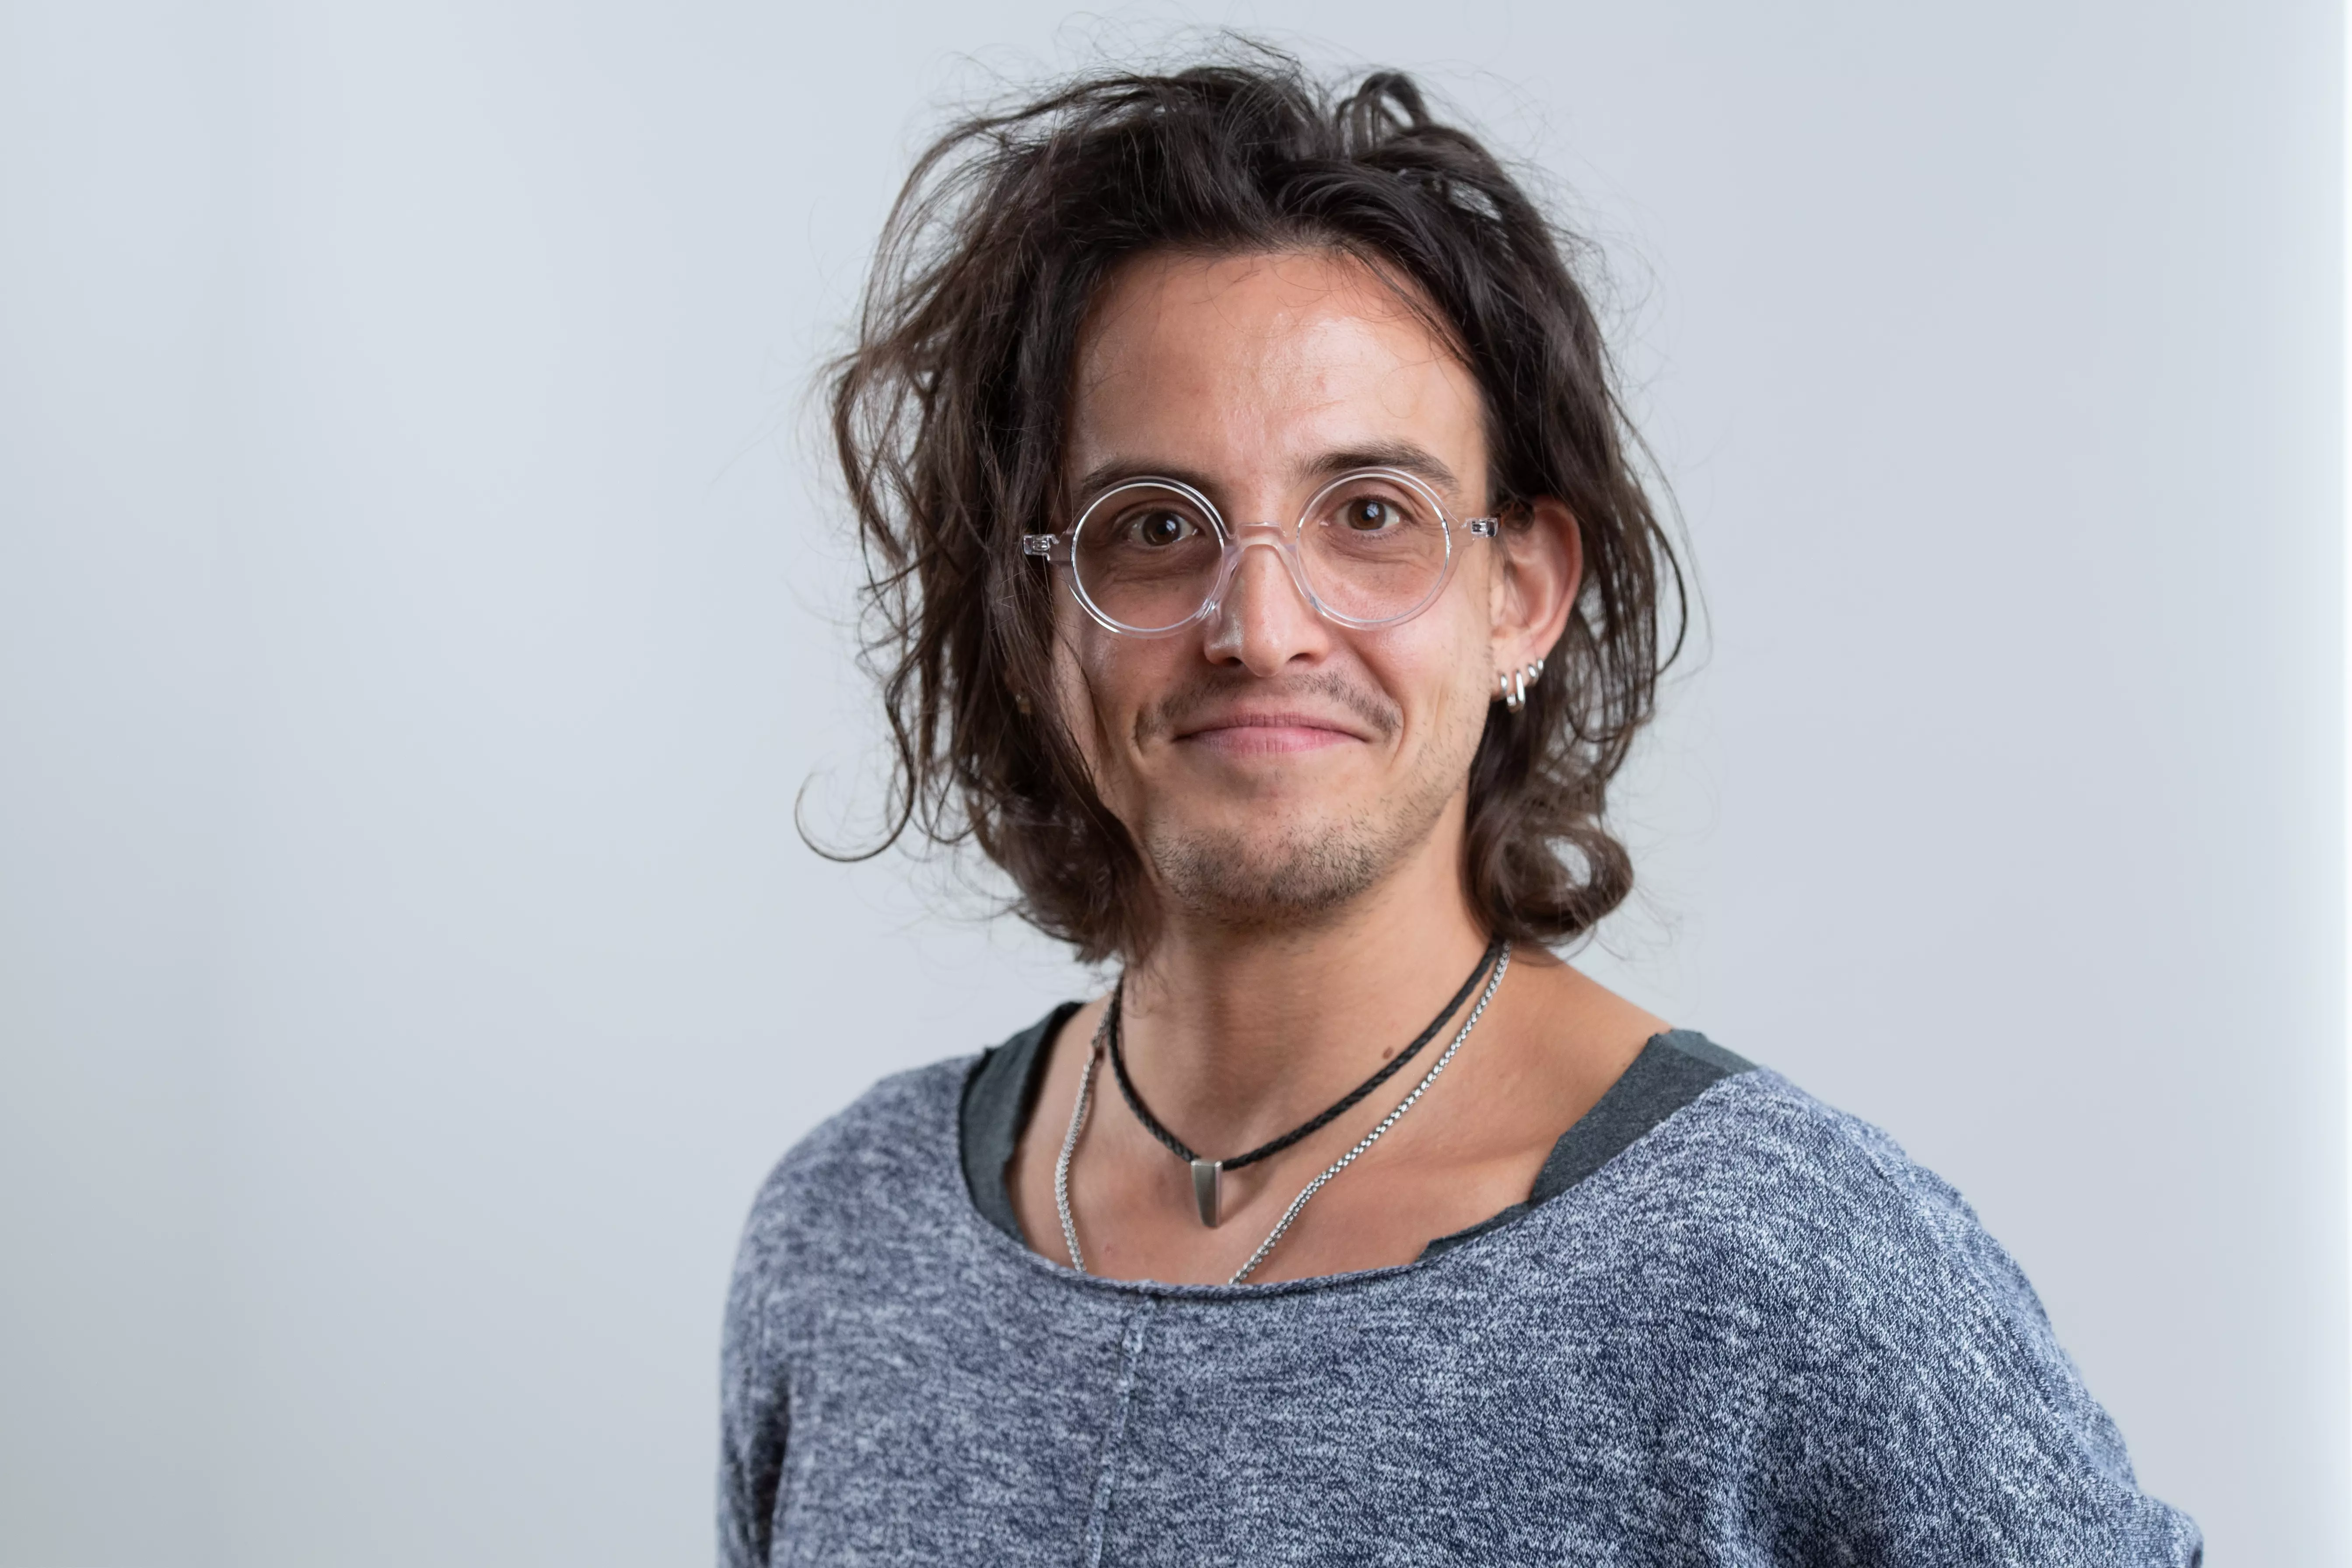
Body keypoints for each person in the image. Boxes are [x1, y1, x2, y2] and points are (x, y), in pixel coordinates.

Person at [720, 51, 2201, 1566]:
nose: (1262, 624)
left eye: (1371, 516)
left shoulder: (1784, 1268)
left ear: (1523, 596)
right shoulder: (846, 1239)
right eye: (1155, 527)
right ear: (1041, 616)